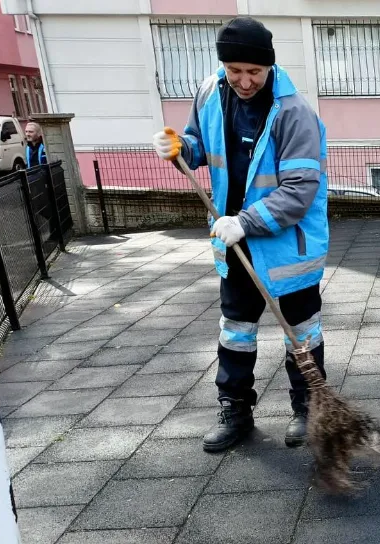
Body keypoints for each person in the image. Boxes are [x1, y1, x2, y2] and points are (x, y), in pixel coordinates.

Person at [151, 16, 329, 454]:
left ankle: (309, 410)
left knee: (301, 331)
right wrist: (180, 149)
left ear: (270, 67)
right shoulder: (211, 94)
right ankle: (235, 409)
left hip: (288, 245)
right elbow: (197, 145)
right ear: (223, 67)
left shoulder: (294, 113)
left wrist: (244, 222)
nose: (245, 81)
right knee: (235, 330)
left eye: (254, 72)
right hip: (234, 242)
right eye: (235, 71)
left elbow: (299, 190)